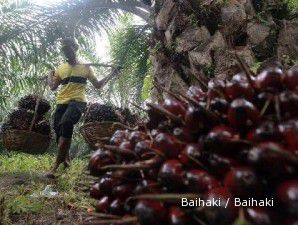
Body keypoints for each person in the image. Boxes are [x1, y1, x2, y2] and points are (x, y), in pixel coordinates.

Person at [46, 38, 119, 177]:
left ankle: (55, 166)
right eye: (64, 51)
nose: (67, 52)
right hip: (61, 102)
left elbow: (98, 85)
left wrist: (111, 73)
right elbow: (52, 87)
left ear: (75, 49)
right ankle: (66, 160)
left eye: (69, 49)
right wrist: (50, 75)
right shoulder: (61, 68)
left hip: (78, 102)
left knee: (66, 122)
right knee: (59, 130)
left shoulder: (86, 67)